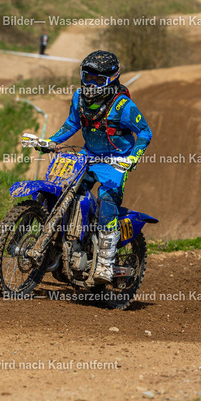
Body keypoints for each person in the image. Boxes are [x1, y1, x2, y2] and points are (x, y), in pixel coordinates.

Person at [45, 50, 152, 283]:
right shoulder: (78, 97)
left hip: (116, 161)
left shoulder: (123, 106)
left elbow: (145, 131)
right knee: (65, 189)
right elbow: (72, 123)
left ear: (111, 80)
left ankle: (105, 261)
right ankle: (64, 244)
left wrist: (133, 158)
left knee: (106, 201)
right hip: (88, 154)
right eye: (88, 77)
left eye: (98, 80)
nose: (91, 84)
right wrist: (51, 141)